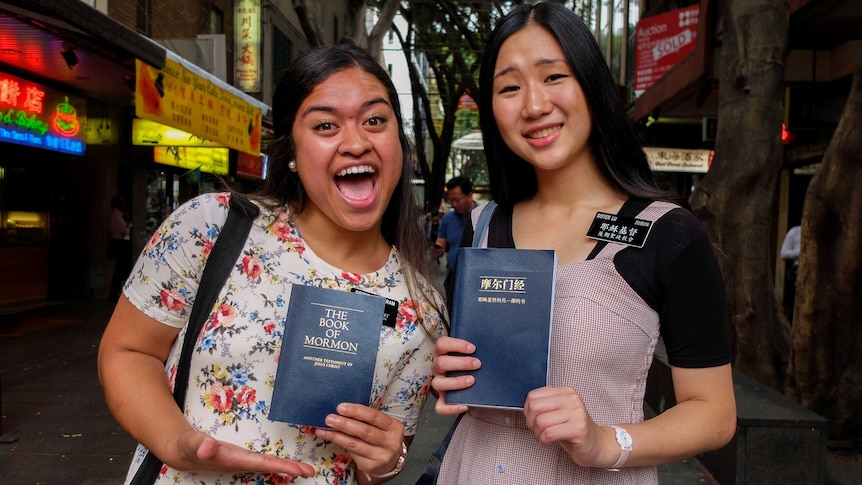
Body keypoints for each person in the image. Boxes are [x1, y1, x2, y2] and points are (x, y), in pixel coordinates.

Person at [98, 42, 447, 485]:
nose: (356, 142)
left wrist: (384, 462)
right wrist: (177, 443)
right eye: (325, 125)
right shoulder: (213, 227)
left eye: (375, 121)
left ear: (399, 140)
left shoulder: (423, 309)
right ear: (293, 154)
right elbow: (128, 350)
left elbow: (372, 469)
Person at [430, 3, 736, 484]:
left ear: (592, 86)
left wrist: (605, 442)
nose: (533, 105)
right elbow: (458, 375)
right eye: (510, 87)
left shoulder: (668, 233)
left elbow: (715, 413)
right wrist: (448, 373)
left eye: (554, 77)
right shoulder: (482, 228)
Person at [433, 176, 477, 298]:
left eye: (457, 200)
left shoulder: (483, 216)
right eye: (451, 201)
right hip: (454, 276)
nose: (454, 204)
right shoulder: (448, 219)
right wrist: (437, 249)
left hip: (476, 278)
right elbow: (441, 242)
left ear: (469, 195)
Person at [107, 194, 133, 301]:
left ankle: (119, 291)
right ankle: (114, 292)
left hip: (123, 243)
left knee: (122, 268)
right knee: (119, 268)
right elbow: (124, 229)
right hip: (119, 243)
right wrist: (128, 225)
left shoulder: (120, 215)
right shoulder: (115, 215)